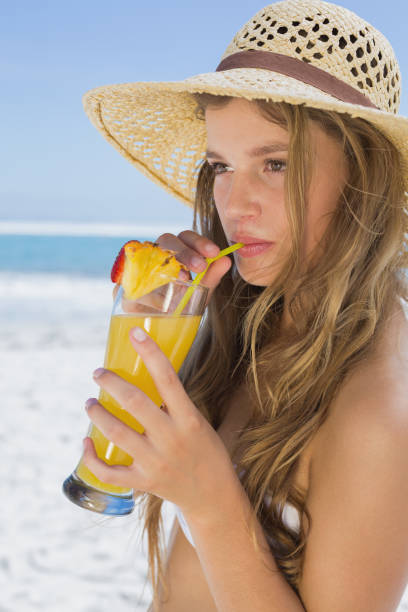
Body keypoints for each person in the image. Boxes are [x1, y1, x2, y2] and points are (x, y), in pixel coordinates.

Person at [80, 0, 408, 609]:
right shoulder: (259, 324)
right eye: (222, 166)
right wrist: (164, 338)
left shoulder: (378, 412)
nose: (234, 204)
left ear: (368, 174)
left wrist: (211, 504)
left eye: (276, 163)